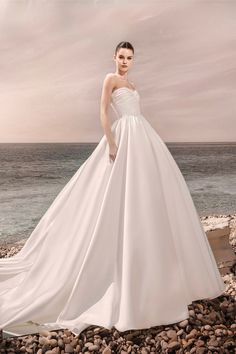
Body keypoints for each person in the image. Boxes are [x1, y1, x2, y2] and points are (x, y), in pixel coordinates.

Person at [0, 41, 226, 337]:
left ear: (134, 60)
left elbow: (134, 111)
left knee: (148, 198)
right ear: (114, 57)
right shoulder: (110, 79)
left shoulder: (132, 82)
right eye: (121, 57)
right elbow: (104, 112)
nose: (125, 61)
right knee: (116, 196)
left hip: (144, 137)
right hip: (124, 137)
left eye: (129, 58)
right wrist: (111, 142)